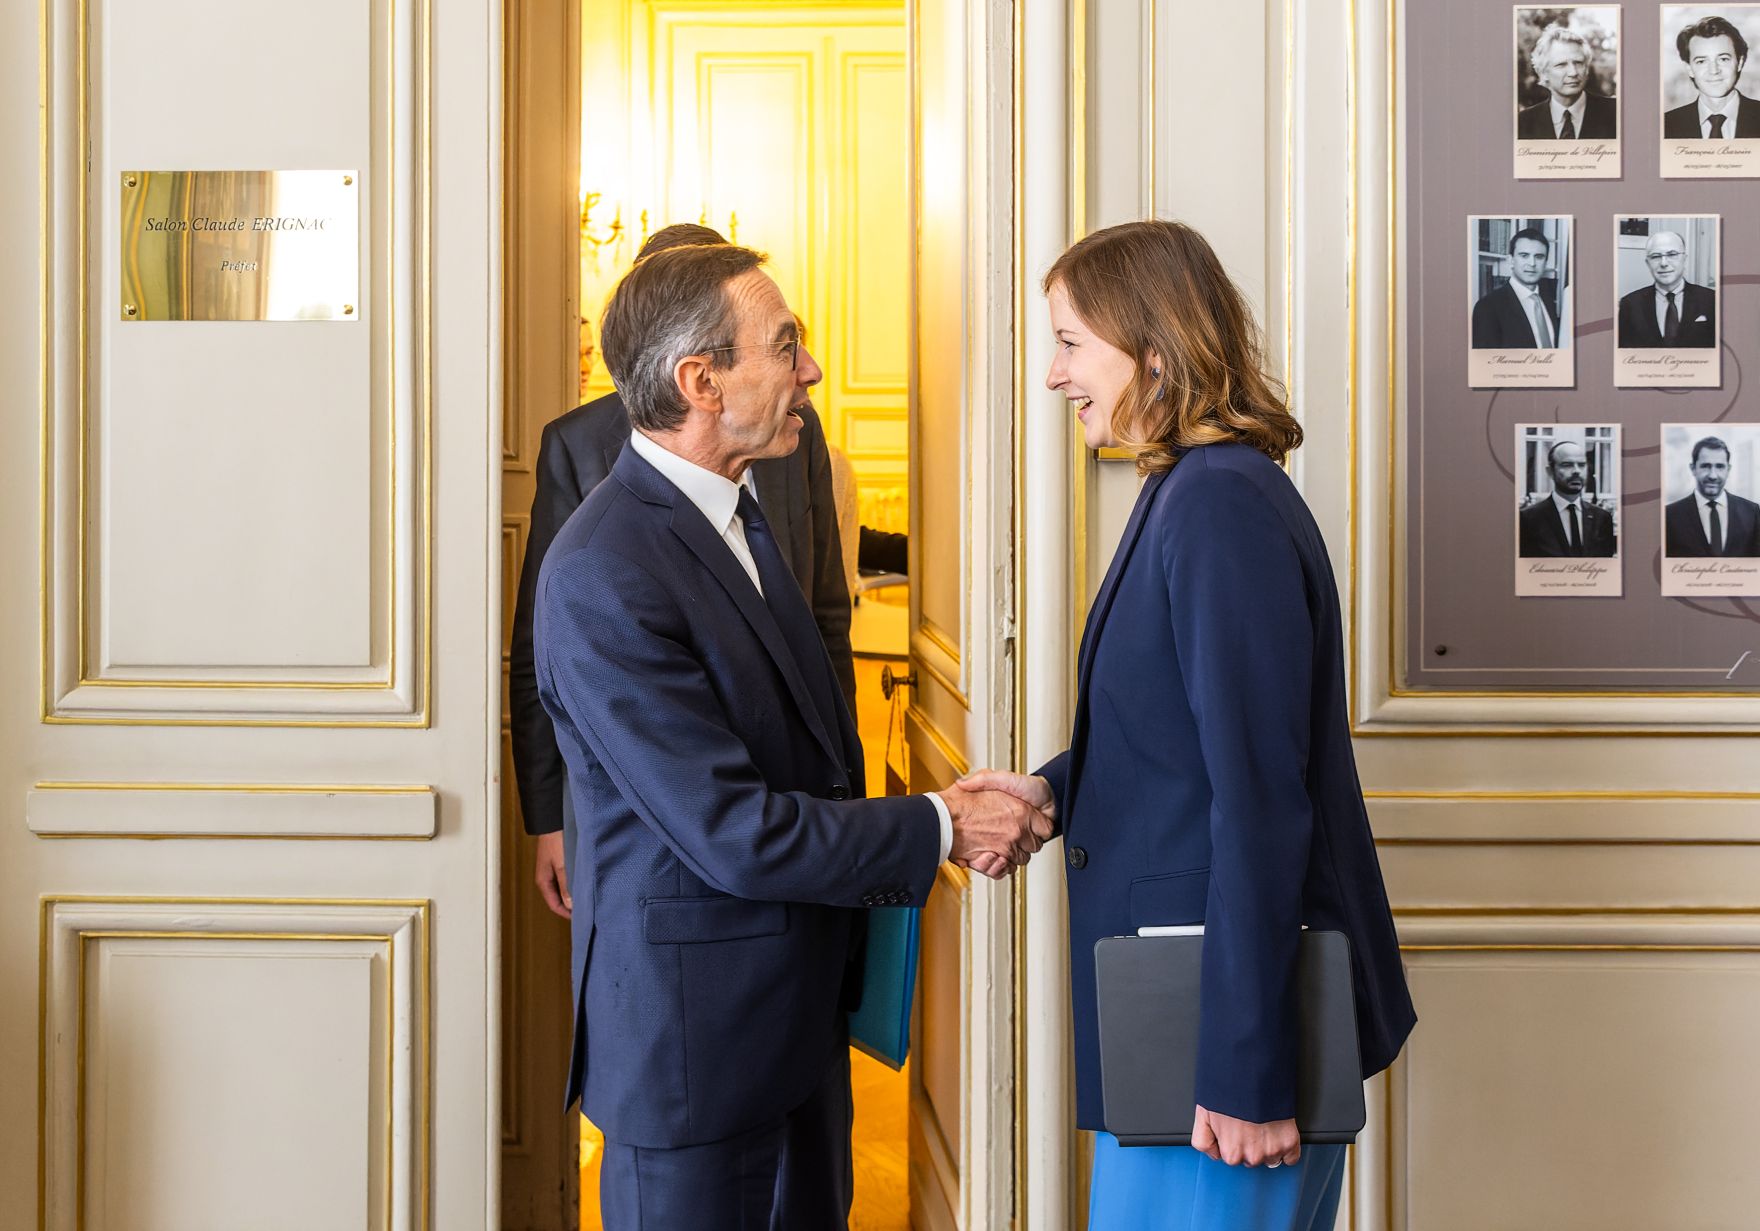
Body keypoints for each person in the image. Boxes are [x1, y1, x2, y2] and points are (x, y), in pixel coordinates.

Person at [533, 240, 1053, 1230]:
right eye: (785, 344)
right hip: (695, 1053)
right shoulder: (604, 568)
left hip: (789, 1019)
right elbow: (733, 829)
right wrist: (940, 825)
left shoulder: (739, 511)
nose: (810, 369)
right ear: (701, 381)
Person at [962, 220, 1415, 1231]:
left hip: (1219, 1051)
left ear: (1155, 351)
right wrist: (1049, 789)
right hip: (1181, 1023)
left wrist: (1247, 1068)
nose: (1053, 374)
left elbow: (1260, 796)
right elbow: (1182, 742)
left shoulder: (1219, 507)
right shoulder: (1190, 491)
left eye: (1071, 342)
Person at [510, 223, 856, 921]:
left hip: (793, 824)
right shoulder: (578, 454)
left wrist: (848, 792)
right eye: (784, 346)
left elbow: (824, 620)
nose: (808, 371)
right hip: (657, 838)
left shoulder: (797, 432)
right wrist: (550, 817)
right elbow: (539, 654)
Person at [1616, 230, 1716, 349]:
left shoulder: (1712, 300)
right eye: (1656, 256)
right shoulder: (1630, 305)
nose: (1664, 263)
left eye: (1672, 254)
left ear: (1684, 259)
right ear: (1648, 263)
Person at [1664, 16, 1760, 139]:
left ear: (1740, 62)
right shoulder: (1666, 125)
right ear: (1689, 69)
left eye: (1723, 59)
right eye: (1701, 61)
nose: (1714, 70)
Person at [1517, 23, 1617, 139]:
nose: (1573, 72)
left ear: (1587, 68)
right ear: (1543, 73)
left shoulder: (1616, 113)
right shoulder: (1522, 123)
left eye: (1578, 63)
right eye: (1561, 65)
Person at [1665, 435, 1760, 557]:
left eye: (1720, 466)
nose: (1713, 475)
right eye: (1705, 466)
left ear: (1728, 470)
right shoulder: (1670, 515)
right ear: (1693, 468)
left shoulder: (1752, 512)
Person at [1519, 440, 1616, 557]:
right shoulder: (1528, 519)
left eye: (1581, 465)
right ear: (1550, 471)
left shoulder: (1602, 518)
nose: (1576, 471)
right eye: (1567, 465)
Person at [1471, 228, 1561, 349]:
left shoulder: (1548, 298)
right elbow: (1486, 365)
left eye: (1539, 257)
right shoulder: (1487, 308)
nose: (1532, 263)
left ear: (1545, 263)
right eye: (1524, 255)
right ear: (1511, 260)